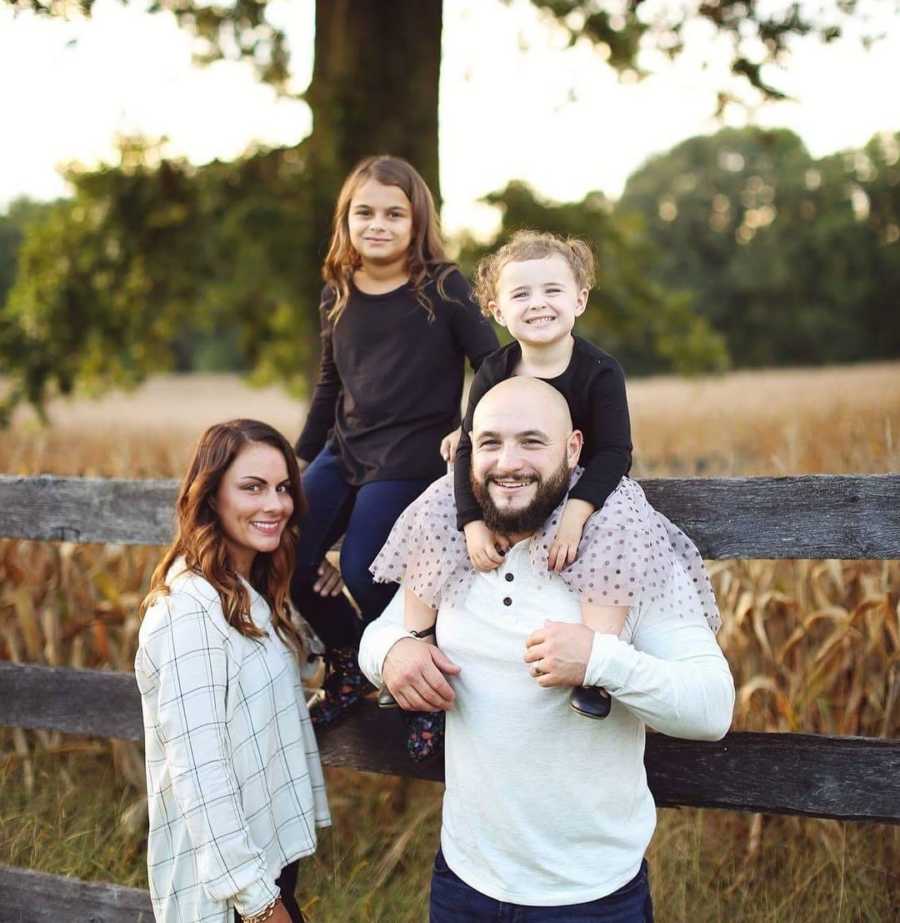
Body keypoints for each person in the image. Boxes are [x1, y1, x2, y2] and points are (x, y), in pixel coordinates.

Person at [360, 378, 734, 921]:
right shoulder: (453, 538)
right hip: (465, 881)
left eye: (532, 442)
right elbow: (381, 632)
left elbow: (712, 708)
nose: (507, 462)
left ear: (574, 448)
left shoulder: (623, 546)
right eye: (489, 443)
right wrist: (393, 654)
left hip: (590, 895)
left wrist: (600, 661)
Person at [373, 230, 633, 727]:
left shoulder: (601, 371)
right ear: (496, 310)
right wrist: (472, 523)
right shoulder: (495, 367)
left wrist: (578, 510)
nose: (538, 304)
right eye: (521, 294)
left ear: (579, 299)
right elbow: (471, 445)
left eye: (553, 291)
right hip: (508, 479)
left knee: (617, 528)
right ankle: (418, 639)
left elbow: (616, 452)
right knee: (433, 505)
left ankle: (597, 662)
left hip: (587, 481)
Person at [291, 154, 498, 728]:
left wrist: (472, 427)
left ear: (417, 221)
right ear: (346, 220)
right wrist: (298, 462)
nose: (377, 224)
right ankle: (351, 664)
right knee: (285, 555)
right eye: (364, 212)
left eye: (393, 213)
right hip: (345, 449)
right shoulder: (337, 291)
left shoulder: (442, 287)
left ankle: (421, 680)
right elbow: (330, 383)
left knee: (362, 569)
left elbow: (493, 363)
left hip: (412, 453)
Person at [135, 420, 331, 923]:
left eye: (283, 488)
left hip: (264, 864)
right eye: (253, 487)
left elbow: (309, 664)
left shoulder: (248, 592)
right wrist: (261, 905)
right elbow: (200, 773)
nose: (275, 505)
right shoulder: (189, 610)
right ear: (210, 496)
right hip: (229, 891)